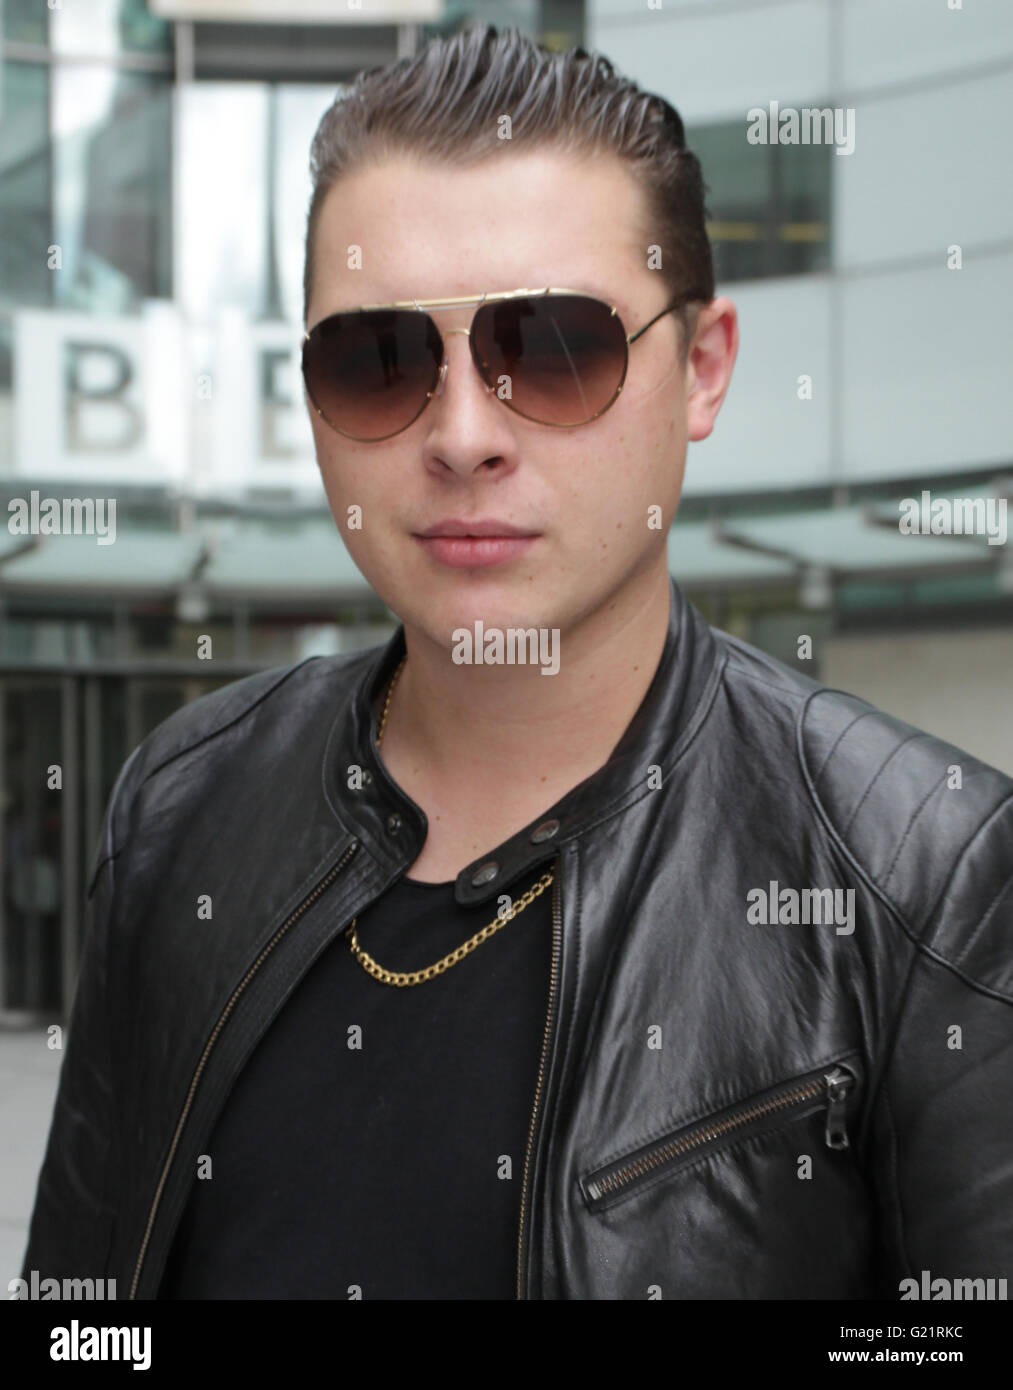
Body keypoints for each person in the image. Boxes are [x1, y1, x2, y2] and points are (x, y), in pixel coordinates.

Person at [22, 24, 1013, 1302]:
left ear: (700, 368)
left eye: (551, 348)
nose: (461, 433)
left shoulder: (924, 875)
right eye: (378, 361)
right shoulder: (176, 806)